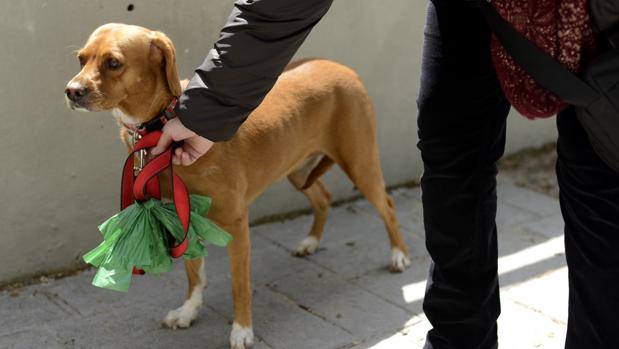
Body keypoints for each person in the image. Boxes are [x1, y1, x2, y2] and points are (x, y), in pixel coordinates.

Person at [152, 0, 619, 348]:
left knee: (599, 184)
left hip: (604, 23)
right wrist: (208, 110)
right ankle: (457, 339)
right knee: (449, 156)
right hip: (472, 8)